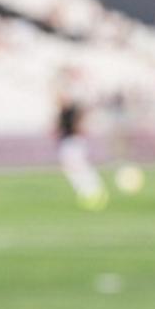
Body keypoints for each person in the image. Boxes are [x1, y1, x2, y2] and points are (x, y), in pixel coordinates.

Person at [55, 68, 108, 211]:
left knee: (76, 166)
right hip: (69, 142)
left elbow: (80, 121)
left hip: (73, 142)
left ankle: (91, 188)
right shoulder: (65, 111)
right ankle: (88, 189)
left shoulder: (73, 109)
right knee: (74, 167)